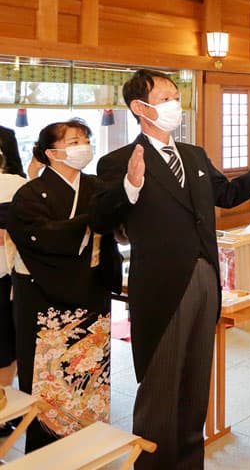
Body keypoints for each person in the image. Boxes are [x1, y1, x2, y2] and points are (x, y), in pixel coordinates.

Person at [90, 69, 250, 470]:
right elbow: (100, 218)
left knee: (195, 385)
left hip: (205, 278)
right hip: (162, 288)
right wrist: (130, 187)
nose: (173, 103)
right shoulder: (118, 162)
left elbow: (228, 194)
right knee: (161, 390)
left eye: (174, 95)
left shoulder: (194, 155)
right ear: (140, 107)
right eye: (164, 96)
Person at [7, 120, 122, 453]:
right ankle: (47, 451)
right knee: (49, 380)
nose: (83, 145)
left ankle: (89, 445)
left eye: (85, 138)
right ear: (51, 152)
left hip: (92, 290)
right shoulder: (29, 194)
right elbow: (39, 235)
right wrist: (92, 221)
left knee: (89, 373)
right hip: (44, 298)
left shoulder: (96, 186)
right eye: (74, 140)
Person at [0, 151, 26, 437]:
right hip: (9, 276)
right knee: (7, 347)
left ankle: (5, 410)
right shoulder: (17, 183)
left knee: (7, 347)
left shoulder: (15, 184)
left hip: (8, 276)